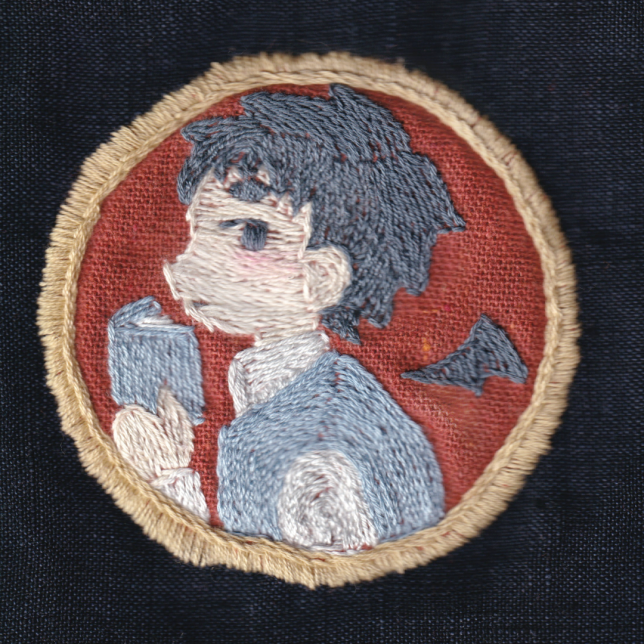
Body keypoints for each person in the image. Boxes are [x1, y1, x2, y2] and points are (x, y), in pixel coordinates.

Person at [115, 85, 465, 552]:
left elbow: (277, 574)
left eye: (251, 234)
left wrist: (168, 479)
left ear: (322, 276)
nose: (189, 261)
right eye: (199, 231)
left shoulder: (323, 447)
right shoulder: (297, 400)